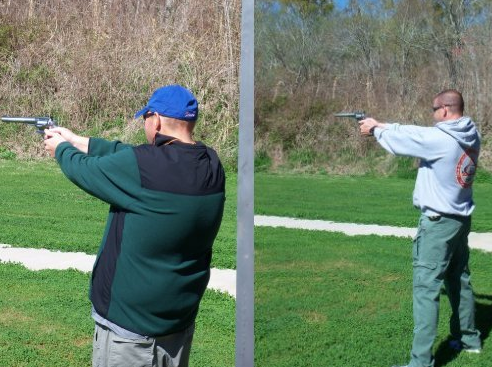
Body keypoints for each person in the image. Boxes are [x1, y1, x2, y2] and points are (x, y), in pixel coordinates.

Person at [44, 85, 226, 367]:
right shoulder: (211, 165)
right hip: (176, 325)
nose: (145, 125)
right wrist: (77, 139)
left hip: (129, 334)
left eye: (146, 119)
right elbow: (132, 155)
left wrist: (61, 148)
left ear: (156, 120)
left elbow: (83, 170)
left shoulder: (146, 168)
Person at [359, 89, 482, 367]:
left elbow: (400, 145)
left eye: (434, 109)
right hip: (460, 219)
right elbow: (420, 132)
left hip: (438, 224)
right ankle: (469, 338)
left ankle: (420, 362)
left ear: (445, 111)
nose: (433, 115)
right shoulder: (470, 132)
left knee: (426, 290)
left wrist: (375, 132)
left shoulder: (440, 140)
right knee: (458, 279)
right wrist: (385, 124)